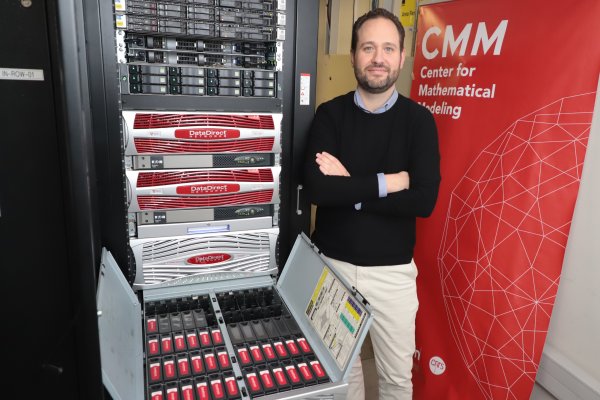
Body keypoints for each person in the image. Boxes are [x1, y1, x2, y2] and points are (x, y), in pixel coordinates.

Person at [303, 8, 441, 400]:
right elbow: (316, 189)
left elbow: (424, 199)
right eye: (368, 47)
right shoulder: (329, 115)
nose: (378, 57)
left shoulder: (419, 122)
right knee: (342, 377)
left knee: (397, 380)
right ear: (353, 56)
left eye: (388, 48)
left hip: (392, 274)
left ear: (401, 57)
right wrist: (389, 182)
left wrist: (350, 187)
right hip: (332, 268)